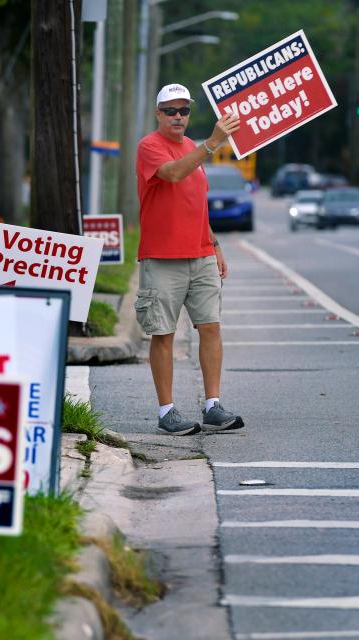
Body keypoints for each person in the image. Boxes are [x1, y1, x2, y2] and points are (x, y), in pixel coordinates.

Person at [134, 83, 244, 436]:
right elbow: (172, 174)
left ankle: (213, 405)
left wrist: (215, 244)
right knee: (163, 333)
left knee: (210, 327)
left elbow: (196, 203)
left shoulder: (192, 150)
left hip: (200, 255)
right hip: (163, 257)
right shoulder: (150, 147)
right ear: (158, 113)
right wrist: (212, 144)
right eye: (171, 110)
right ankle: (167, 411)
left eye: (184, 110)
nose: (178, 117)